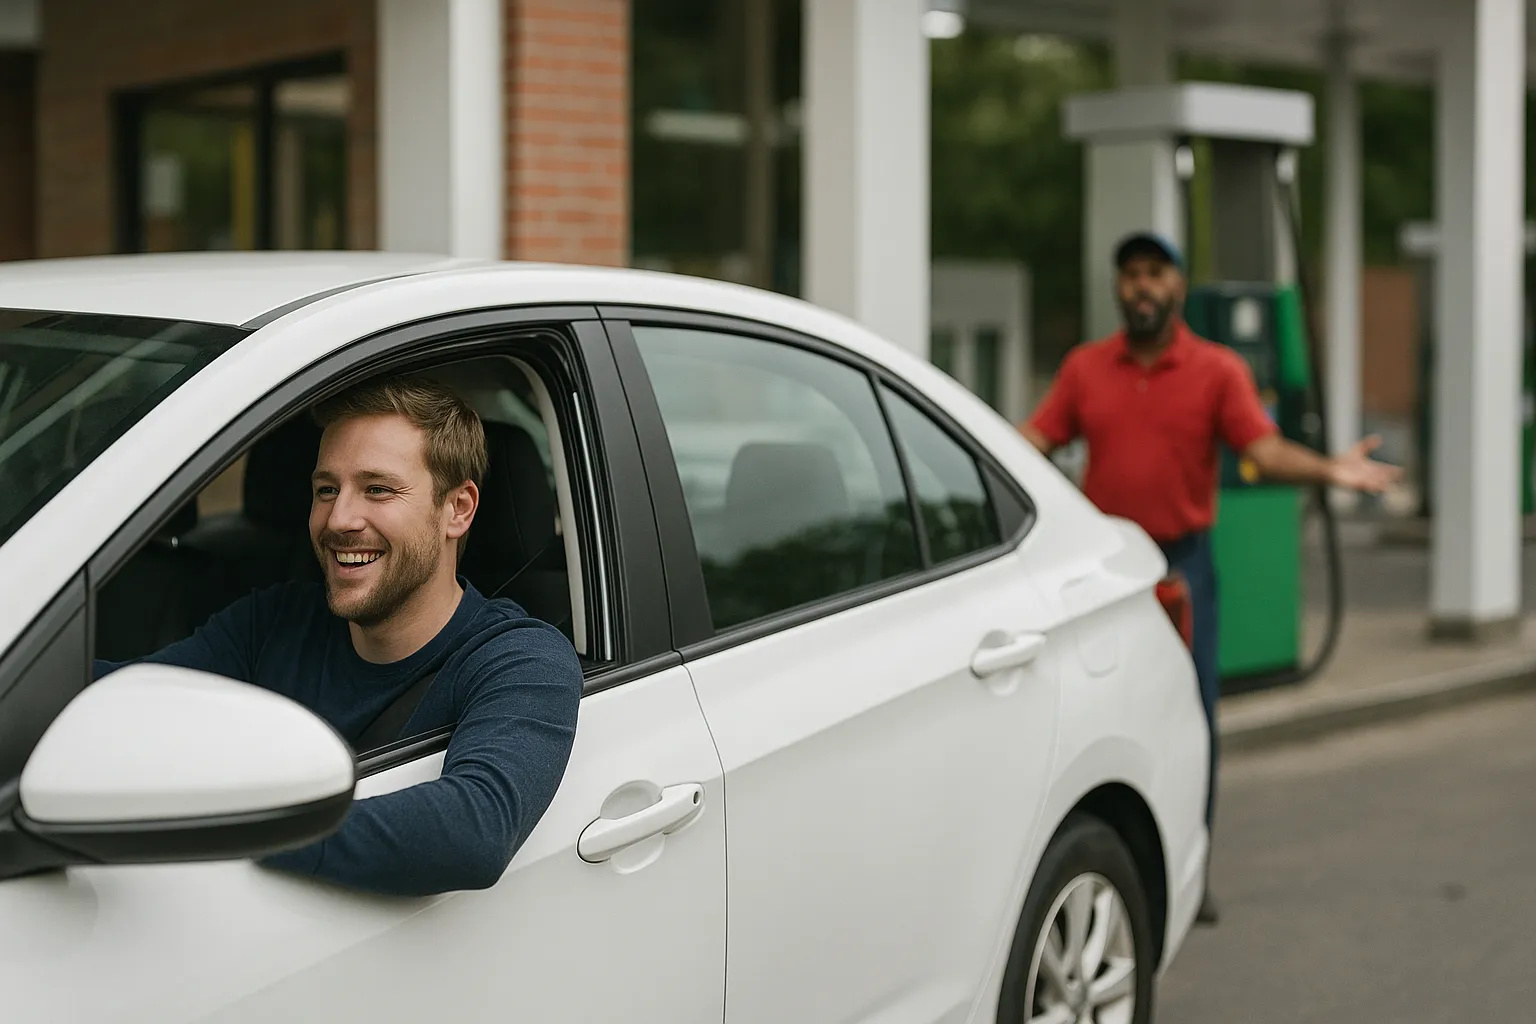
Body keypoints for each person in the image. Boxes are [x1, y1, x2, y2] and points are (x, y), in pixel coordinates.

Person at [1019, 231, 1399, 925]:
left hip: (1183, 566)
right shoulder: (1085, 369)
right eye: (1129, 274)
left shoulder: (1217, 370)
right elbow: (1035, 442)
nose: (1141, 286)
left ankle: (1192, 867)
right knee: (1097, 715)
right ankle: (1118, 862)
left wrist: (1328, 469)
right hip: (1104, 569)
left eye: (1155, 273)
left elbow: (1264, 447)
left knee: (1190, 715)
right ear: (1117, 287)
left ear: (1179, 286)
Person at [94, 374, 584, 897]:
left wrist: (230, 828)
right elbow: (126, 697)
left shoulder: (521, 660)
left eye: (378, 489)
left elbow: (474, 830)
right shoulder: (273, 621)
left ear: (457, 509)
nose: (339, 518)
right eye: (327, 489)